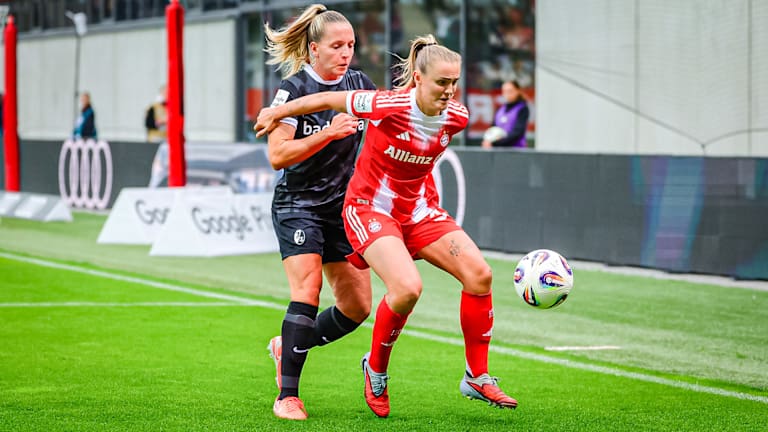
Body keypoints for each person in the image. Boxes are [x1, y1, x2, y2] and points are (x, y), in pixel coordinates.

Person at [255, 34, 518, 419]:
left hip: (418, 211)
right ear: (418, 78)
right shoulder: (387, 104)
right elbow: (327, 100)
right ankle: (374, 369)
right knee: (407, 287)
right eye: (442, 83)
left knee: (479, 275)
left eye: (454, 83)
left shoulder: (457, 117)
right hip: (368, 209)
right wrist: (276, 114)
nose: (450, 91)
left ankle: (476, 376)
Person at [260, 4, 376, 421]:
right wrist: (328, 132)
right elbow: (277, 155)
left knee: (358, 307)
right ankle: (287, 396)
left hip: (342, 209)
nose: (346, 53)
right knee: (307, 293)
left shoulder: (360, 84)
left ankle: (286, 346)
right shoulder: (292, 91)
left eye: (351, 45)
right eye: (337, 45)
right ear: (313, 50)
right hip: (299, 204)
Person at [482, 79, 529, 149]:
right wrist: (487, 140)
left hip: (516, 150)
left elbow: (518, 132)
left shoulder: (522, 109)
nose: (507, 94)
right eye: (505, 91)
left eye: (510, 91)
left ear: (518, 91)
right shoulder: (500, 109)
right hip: (499, 151)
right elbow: (493, 128)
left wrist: (496, 143)